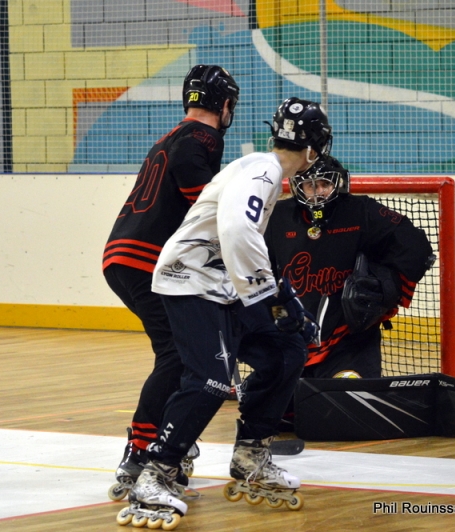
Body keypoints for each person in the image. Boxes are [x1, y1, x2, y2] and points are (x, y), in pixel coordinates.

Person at [116, 97, 332, 528]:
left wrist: (281, 298)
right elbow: (236, 231)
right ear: (315, 148)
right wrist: (273, 298)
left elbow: (248, 242)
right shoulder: (263, 170)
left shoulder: (263, 173)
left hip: (222, 287)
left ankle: (251, 452)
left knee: (288, 349)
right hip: (189, 282)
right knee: (211, 380)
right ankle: (157, 472)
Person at [265, 155, 455, 433]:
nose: (316, 192)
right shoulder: (278, 217)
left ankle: (447, 409)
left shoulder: (361, 212)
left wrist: (385, 287)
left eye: (323, 184)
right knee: (272, 411)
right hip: (292, 342)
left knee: (347, 411)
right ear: (297, 186)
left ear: (338, 184)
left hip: (349, 342)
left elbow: (416, 249)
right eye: (309, 185)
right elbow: (256, 270)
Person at [102, 65, 240, 500]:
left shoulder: (171, 135)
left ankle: (153, 444)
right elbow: (202, 200)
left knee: (177, 355)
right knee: (178, 358)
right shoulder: (203, 137)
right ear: (225, 105)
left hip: (122, 256)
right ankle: (144, 450)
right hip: (145, 260)